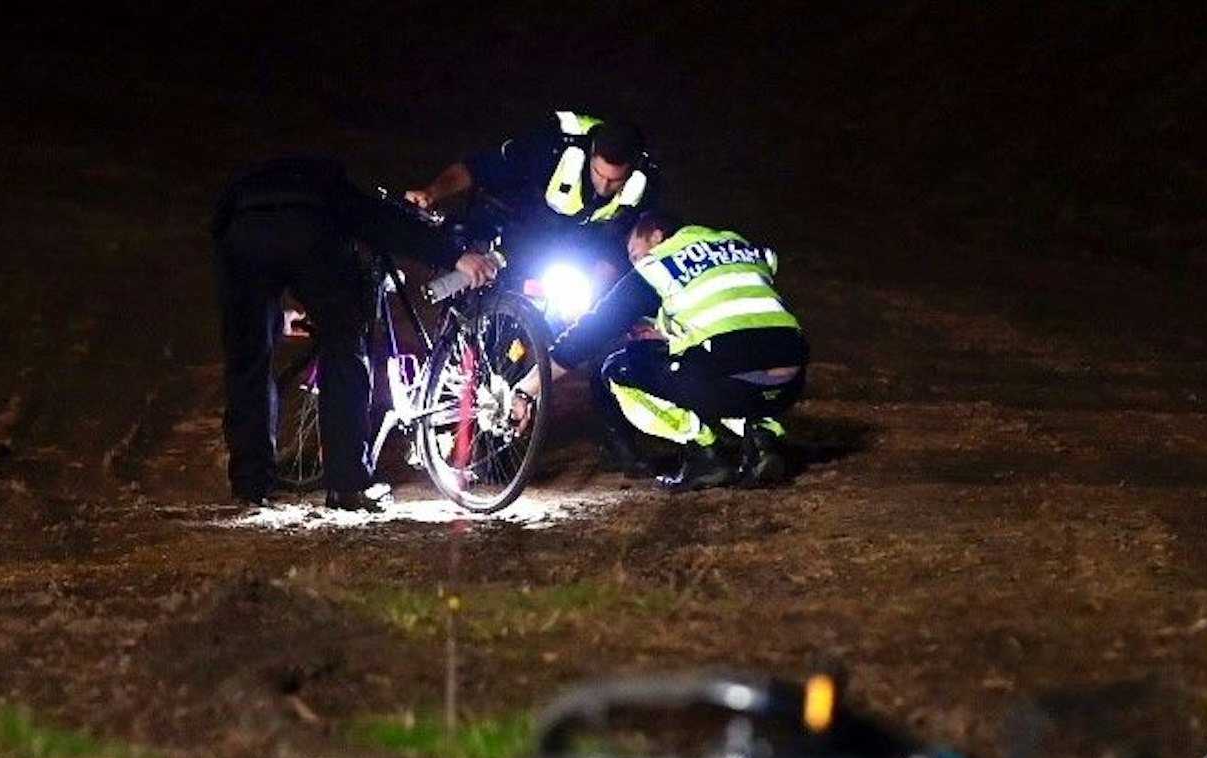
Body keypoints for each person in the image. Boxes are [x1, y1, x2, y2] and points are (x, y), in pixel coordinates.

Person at [212, 154, 498, 510]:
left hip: (244, 238)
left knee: (247, 360)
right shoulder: (327, 182)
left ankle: (249, 487)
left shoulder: (245, 185)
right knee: (344, 348)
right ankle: (348, 485)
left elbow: (220, 232)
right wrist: (455, 255)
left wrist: (267, 313)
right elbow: (384, 224)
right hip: (312, 234)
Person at [521, 209, 808, 492]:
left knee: (620, 370)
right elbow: (737, 306)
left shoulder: (658, 264)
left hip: (725, 380)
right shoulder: (740, 244)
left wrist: (528, 388)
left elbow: (588, 335)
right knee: (736, 358)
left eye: (635, 253)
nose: (635, 263)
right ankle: (764, 437)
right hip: (791, 378)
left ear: (657, 236)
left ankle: (703, 452)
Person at [403, 110, 655, 287]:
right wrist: (433, 191)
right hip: (508, 220)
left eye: (615, 181)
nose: (604, 186)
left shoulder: (645, 181)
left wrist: (597, 291)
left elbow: (622, 243)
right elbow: (480, 167)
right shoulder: (553, 146)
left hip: (565, 245)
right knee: (483, 283)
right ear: (591, 153)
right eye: (599, 174)